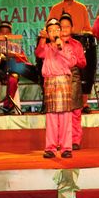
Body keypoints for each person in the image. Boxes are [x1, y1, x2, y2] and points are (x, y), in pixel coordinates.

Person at [48, 0, 93, 113]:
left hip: (77, 44)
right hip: (60, 45)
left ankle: (83, 103)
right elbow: (49, 27)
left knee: (82, 72)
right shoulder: (55, 8)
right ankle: (57, 102)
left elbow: (87, 28)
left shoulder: (81, 8)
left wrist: (84, 33)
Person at [35, 18, 78, 159]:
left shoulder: (67, 47)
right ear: (47, 33)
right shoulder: (46, 47)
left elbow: (72, 62)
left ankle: (66, 148)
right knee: (51, 118)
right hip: (50, 82)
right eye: (50, 30)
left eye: (56, 30)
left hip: (63, 82)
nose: (53, 32)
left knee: (66, 117)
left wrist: (60, 48)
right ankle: (51, 148)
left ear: (60, 31)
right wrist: (42, 39)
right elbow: (38, 53)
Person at [59, 12, 87, 150]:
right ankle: (62, 141)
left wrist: (74, 59)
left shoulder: (76, 44)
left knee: (75, 112)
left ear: (72, 28)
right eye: (62, 26)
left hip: (73, 79)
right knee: (61, 112)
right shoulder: (54, 43)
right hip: (59, 80)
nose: (64, 29)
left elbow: (83, 63)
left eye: (67, 26)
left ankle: (75, 140)